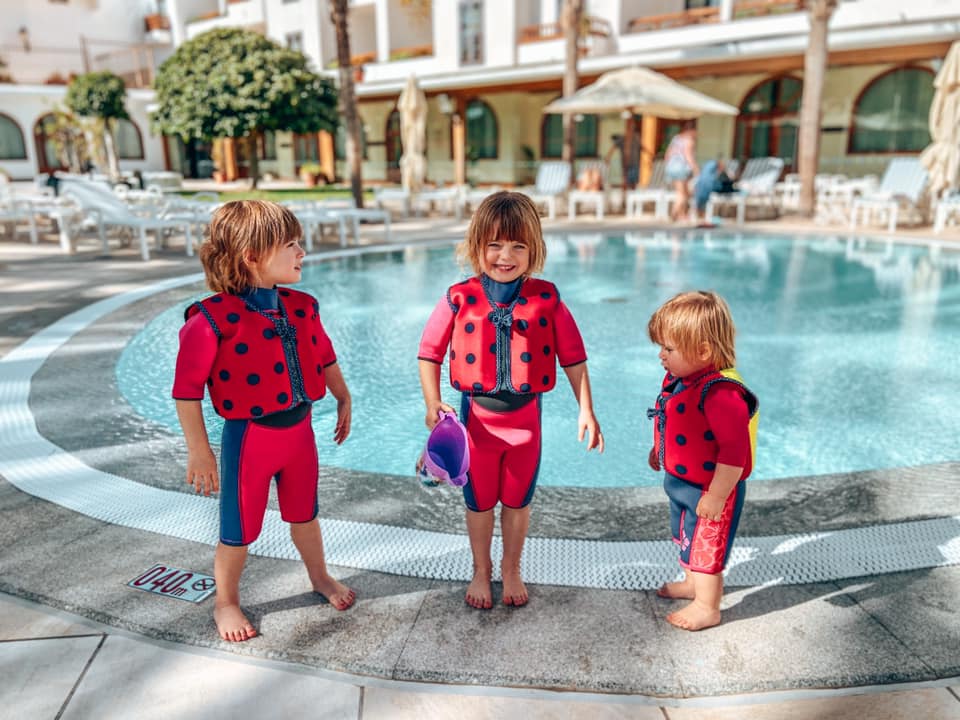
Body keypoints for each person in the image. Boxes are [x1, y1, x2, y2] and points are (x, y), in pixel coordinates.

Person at [172, 200, 355, 642]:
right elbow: (186, 391)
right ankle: (226, 602)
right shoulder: (211, 321)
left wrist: (343, 395)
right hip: (250, 440)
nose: (301, 253)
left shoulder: (301, 306)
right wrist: (200, 450)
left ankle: (319, 576)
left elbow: (325, 355)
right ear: (251, 256)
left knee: (305, 515)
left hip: (299, 435)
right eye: (290, 244)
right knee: (238, 529)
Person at [418, 191, 604, 609]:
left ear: (533, 250)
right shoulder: (458, 297)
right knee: (480, 502)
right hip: (477, 425)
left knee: (518, 502)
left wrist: (586, 409)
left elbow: (573, 356)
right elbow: (428, 352)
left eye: (518, 245)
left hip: (526, 427)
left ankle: (511, 568)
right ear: (476, 246)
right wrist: (433, 403)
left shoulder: (547, 299)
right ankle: (481, 570)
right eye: (495, 244)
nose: (506, 255)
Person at [646, 291, 758, 631]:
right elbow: (675, 422)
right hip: (681, 484)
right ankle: (692, 583)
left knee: (707, 546)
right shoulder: (681, 381)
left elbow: (734, 454)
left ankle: (708, 605)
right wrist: (659, 451)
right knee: (686, 536)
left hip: (711, 489)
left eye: (668, 349)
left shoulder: (721, 395)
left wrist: (718, 495)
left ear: (704, 351)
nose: (661, 356)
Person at [663, 121, 699, 222]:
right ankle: (674, 214)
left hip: (671, 168)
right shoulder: (689, 140)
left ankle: (682, 215)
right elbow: (688, 156)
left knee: (685, 192)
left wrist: (669, 166)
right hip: (681, 168)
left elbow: (667, 155)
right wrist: (696, 169)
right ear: (692, 130)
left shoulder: (676, 138)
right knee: (682, 193)